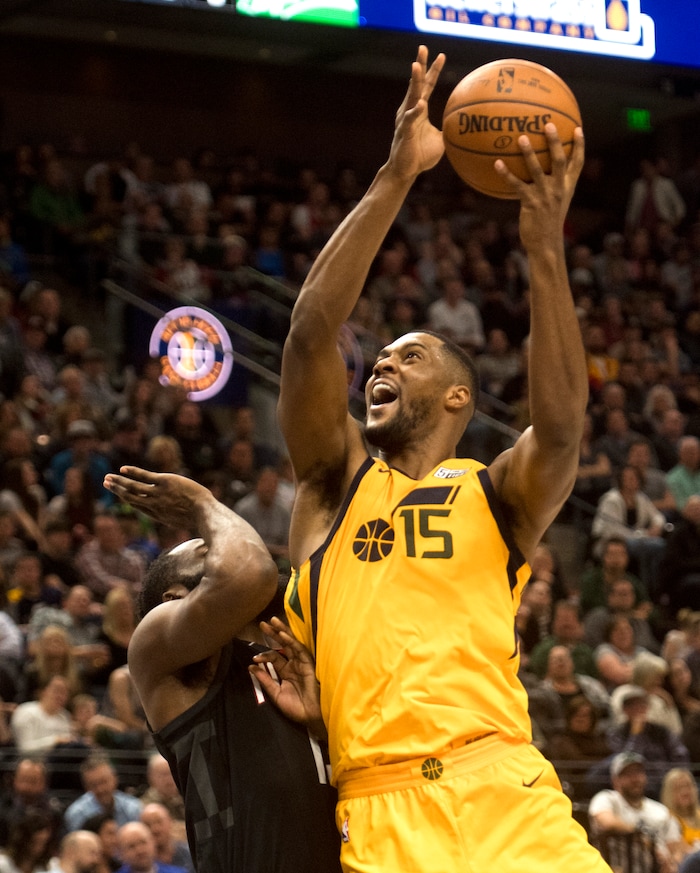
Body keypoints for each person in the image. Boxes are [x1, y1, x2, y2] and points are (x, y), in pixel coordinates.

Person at [270, 45, 610, 873]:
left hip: (506, 793)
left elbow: (561, 432)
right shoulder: (333, 484)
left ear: (460, 397)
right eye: (380, 358)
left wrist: (543, 251)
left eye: (410, 356)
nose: (383, 364)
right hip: (382, 812)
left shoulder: (495, 495)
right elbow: (313, 333)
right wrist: (397, 174)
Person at [103, 466, 341, 873]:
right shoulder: (157, 645)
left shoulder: (296, 662)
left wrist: (323, 730)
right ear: (175, 597)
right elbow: (251, 572)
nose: (229, 541)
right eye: (209, 551)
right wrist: (201, 505)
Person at [589, 751, 683, 873]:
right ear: (615, 780)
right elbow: (605, 822)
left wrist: (672, 862)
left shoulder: (660, 811)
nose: (635, 779)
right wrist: (642, 837)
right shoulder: (607, 799)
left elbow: (675, 849)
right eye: (627, 774)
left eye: (638, 772)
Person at [63, 753, 143, 833]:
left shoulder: (133, 808)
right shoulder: (77, 814)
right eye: (93, 785)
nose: (100, 789)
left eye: (103, 782)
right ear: (86, 787)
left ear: (115, 779)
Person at [660, 768, 700, 859]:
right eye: (679, 788)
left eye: (688, 786)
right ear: (668, 793)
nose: (685, 792)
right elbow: (681, 852)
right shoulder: (668, 819)